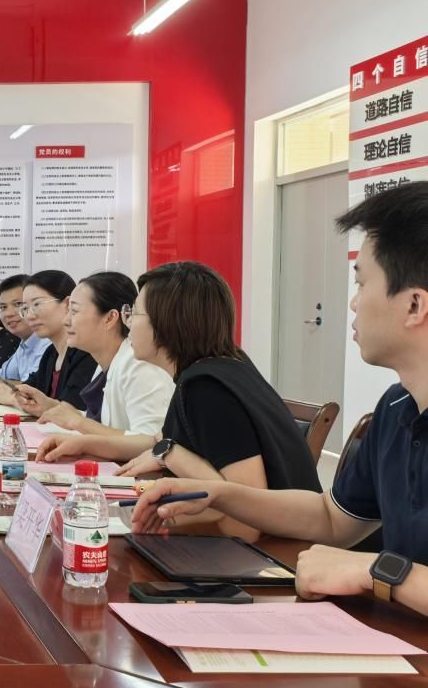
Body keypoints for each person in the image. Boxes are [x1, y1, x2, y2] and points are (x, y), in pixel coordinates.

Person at [133, 183, 428, 615]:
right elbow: (330, 518)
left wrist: (377, 572)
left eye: (362, 283)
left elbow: (367, 561)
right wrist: (218, 494)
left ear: (415, 305)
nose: (352, 302)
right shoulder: (396, 407)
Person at [41, 260, 318, 541]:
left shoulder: (207, 389)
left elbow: (245, 522)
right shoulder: (213, 370)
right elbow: (155, 442)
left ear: (166, 324)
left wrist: (167, 462)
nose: (128, 323)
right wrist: (84, 443)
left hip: (276, 551)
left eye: (134, 313)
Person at [27, 272, 174, 439]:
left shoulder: (139, 367)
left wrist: (79, 422)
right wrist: (51, 407)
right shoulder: (106, 363)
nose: (65, 321)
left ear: (110, 318)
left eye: (74, 311)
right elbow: (105, 424)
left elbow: (151, 442)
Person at [0, 270, 97, 412]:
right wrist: (12, 393)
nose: (29, 316)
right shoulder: (51, 353)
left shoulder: (86, 352)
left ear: (67, 304)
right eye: (25, 308)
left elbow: (72, 411)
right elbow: (27, 391)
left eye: (37, 304)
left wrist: (12, 397)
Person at [0, 273, 49, 386]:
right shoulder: (25, 343)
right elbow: (1, 376)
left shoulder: (47, 343)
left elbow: (29, 387)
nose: (8, 313)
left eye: (18, 304)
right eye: (3, 307)